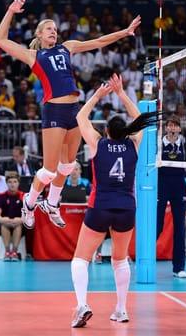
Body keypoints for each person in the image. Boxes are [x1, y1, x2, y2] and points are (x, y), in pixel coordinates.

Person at [0, 0, 141, 230]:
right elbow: (0, 40)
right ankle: (29, 203)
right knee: (49, 171)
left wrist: (125, 32)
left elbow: (98, 42)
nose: (53, 31)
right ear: (39, 35)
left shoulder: (67, 48)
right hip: (53, 111)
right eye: (48, 29)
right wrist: (11, 11)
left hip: (73, 109)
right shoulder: (34, 56)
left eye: (54, 29)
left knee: (67, 166)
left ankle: (52, 204)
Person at [70, 73, 160, 328]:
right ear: (125, 131)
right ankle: (120, 310)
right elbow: (140, 121)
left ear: (107, 131)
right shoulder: (134, 143)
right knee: (120, 260)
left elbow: (80, 118)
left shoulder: (98, 143)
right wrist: (122, 94)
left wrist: (99, 95)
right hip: (126, 208)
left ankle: (82, 305)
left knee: (81, 258)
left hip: (100, 207)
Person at [157, 115, 186, 278]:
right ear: (166, 128)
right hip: (161, 187)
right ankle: (145, 261)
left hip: (178, 189)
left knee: (179, 227)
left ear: (180, 129)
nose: (172, 128)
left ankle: (179, 268)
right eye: (169, 125)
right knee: (157, 226)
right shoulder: (159, 144)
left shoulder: (185, 146)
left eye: (175, 126)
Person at [0, 172, 25, 261]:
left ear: (18, 183)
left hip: (20, 224)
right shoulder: (1, 197)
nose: (12, 184)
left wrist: (21, 220)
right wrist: (2, 219)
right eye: (10, 182)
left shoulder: (24, 197)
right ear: (6, 183)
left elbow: (29, 215)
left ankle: (14, 252)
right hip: (4, 224)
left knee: (18, 226)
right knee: (4, 225)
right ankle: (7, 252)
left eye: (15, 182)